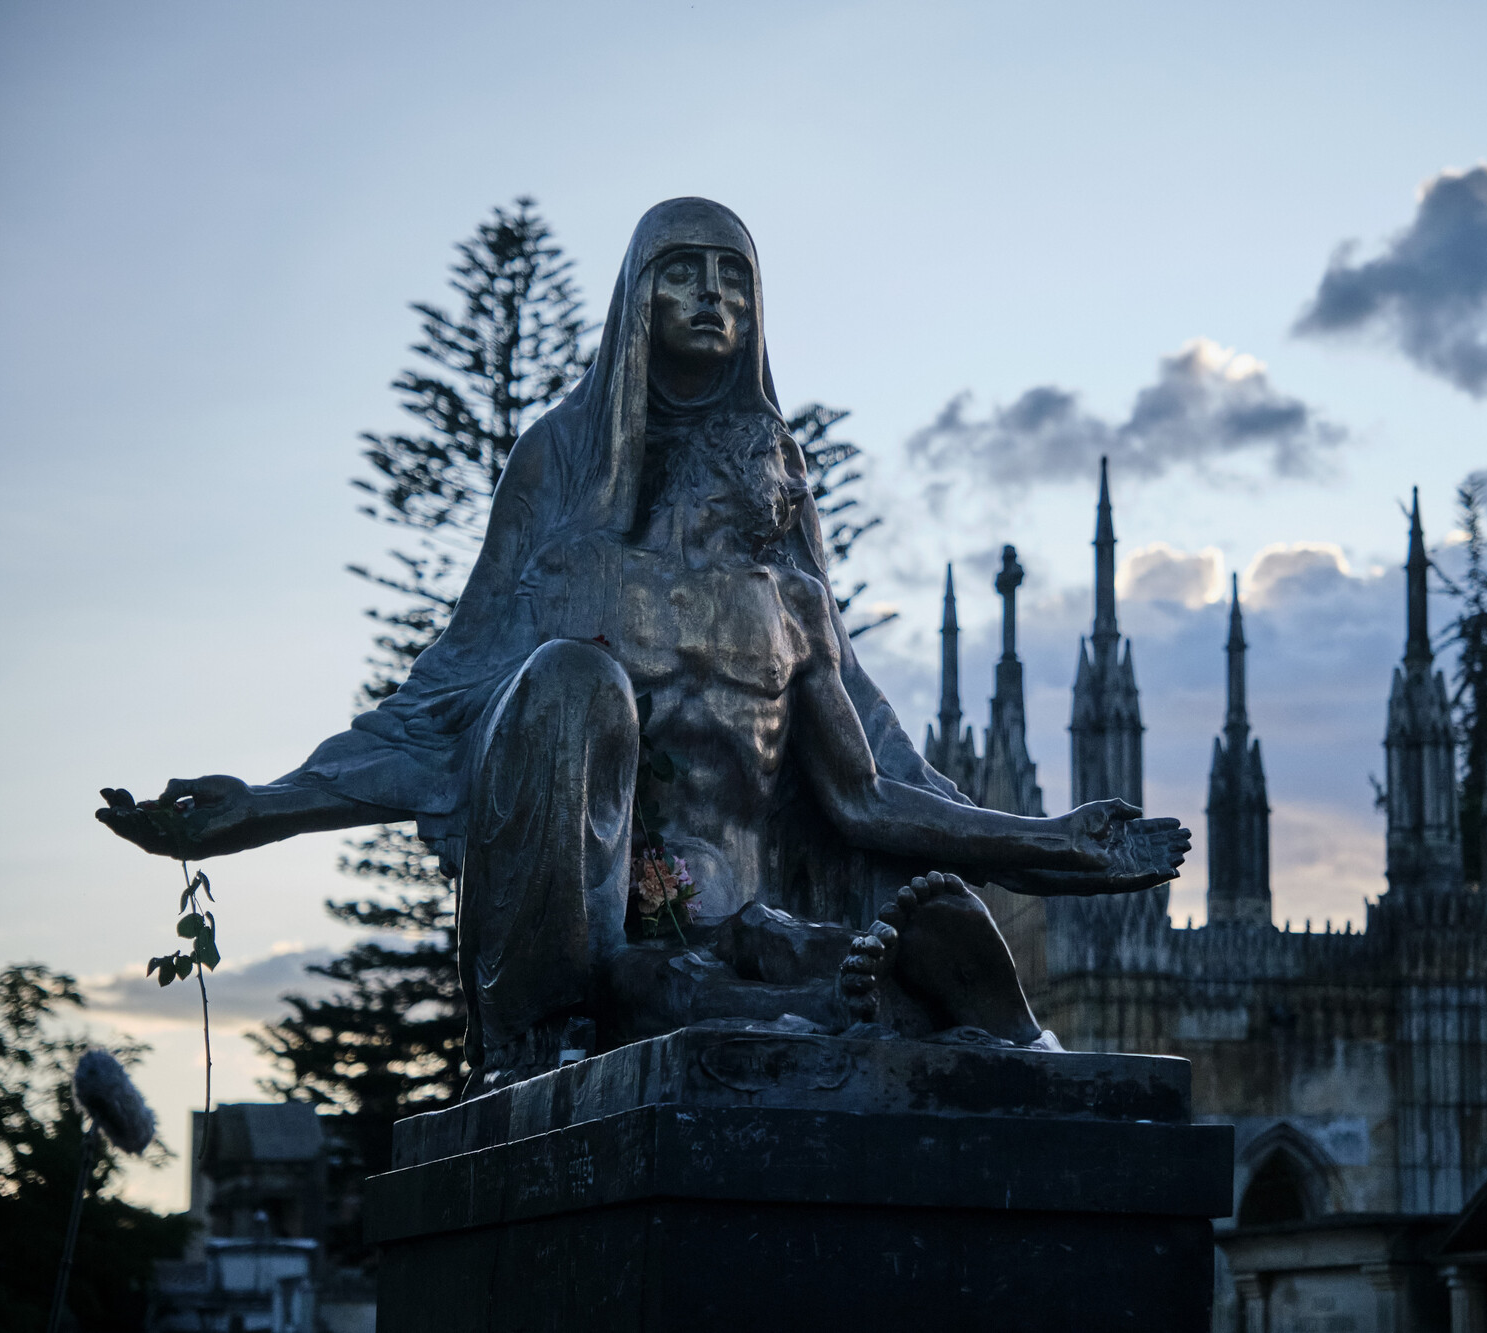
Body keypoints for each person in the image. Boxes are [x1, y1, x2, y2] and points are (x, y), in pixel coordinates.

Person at [99, 198, 1189, 1088]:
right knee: (572, 683)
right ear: (634, 298)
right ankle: (572, 1023)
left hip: (749, 909)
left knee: (889, 934)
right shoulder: (563, 495)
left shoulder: (781, 538)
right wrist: (263, 806)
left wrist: (1054, 846)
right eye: (681, 271)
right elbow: (437, 712)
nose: (711, 296)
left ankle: (851, 992)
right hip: (598, 940)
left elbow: (872, 777)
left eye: (734, 275)